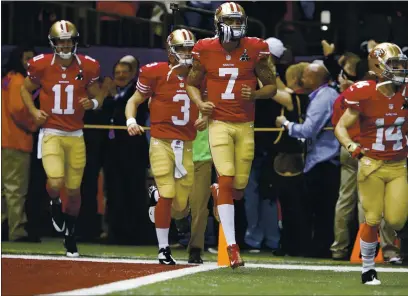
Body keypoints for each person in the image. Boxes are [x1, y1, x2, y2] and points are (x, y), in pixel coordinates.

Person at [186, 1, 277, 268]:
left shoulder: (255, 48)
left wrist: (257, 93)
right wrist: (201, 104)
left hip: (245, 124)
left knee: (238, 188)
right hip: (219, 124)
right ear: (218, 23)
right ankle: (232, 245)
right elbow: (191, 83)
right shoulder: (204, 49)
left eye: (239, 21)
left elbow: (270, 85)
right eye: (231, 21)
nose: (236, 26)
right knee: (226, 179)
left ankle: (220, 192)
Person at [21, 20, 104, 257]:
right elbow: (24, 89)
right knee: (56, 183)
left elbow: (98, 94)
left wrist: (94, 103)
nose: (65, 45)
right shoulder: (40, 65)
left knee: (75, 190)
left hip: (76, 134)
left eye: (68, 41)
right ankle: (54, 203)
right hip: (52, 133)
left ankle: (70, 233)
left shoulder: (88, 66)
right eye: (61, 41)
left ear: (74, 42)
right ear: (53, 43)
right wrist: (34, 111)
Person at [125, 29, 206, 265]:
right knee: (170, 195)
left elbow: (209, 106)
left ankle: (157, 196)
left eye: (190, 48)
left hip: (187, 144)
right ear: (170, 51)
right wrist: (131, 120)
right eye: (181, 48)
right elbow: (134, 100)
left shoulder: (201, 76)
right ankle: (163, 249)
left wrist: (206, 117)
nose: (186, 53)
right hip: (161, 142)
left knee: (181, 207)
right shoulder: (154, 72)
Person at [335, 42, 408, 285]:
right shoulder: (363, 92)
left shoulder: (405, 92)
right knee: (373, 218)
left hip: (397, 164)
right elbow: (341, 127)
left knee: (397, 219)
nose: (399, 70)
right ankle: (368, 269)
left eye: (400, 64)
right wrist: (352, 147)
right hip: (371, 164)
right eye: (393, 65)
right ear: (378, 67)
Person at [276, 63, 340, 258]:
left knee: (321, 209)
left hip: (324, 161)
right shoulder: (321, 95)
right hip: (320, 160)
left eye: (305, 76)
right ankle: (317, 247)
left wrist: (286, 124)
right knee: (318, 209)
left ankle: (320, 248)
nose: (302, 80)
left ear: (316, 78)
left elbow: (309, 129)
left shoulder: (325, 96)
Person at [2, 45, 38, 242]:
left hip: (3, 139)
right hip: (16, 141)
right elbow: (18, 110)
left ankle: (3, 226)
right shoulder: (19, 82)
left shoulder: (6, 80)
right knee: (16, 189)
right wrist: (33, 125)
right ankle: (17, 231)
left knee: (3, 190)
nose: (31, 63)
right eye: (27, 58)